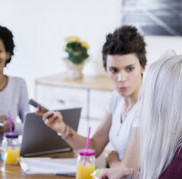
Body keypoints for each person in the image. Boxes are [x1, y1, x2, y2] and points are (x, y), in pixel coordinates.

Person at [38, 25, 146, 168]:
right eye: (114, 70)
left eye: (130, 69)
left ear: (143, 66)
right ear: (105, 70)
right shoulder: (117, 98)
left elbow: (127, 171)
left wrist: (111, 159)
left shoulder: (146, 106)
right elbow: (94, 147)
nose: (121, 78)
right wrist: (62, 129)